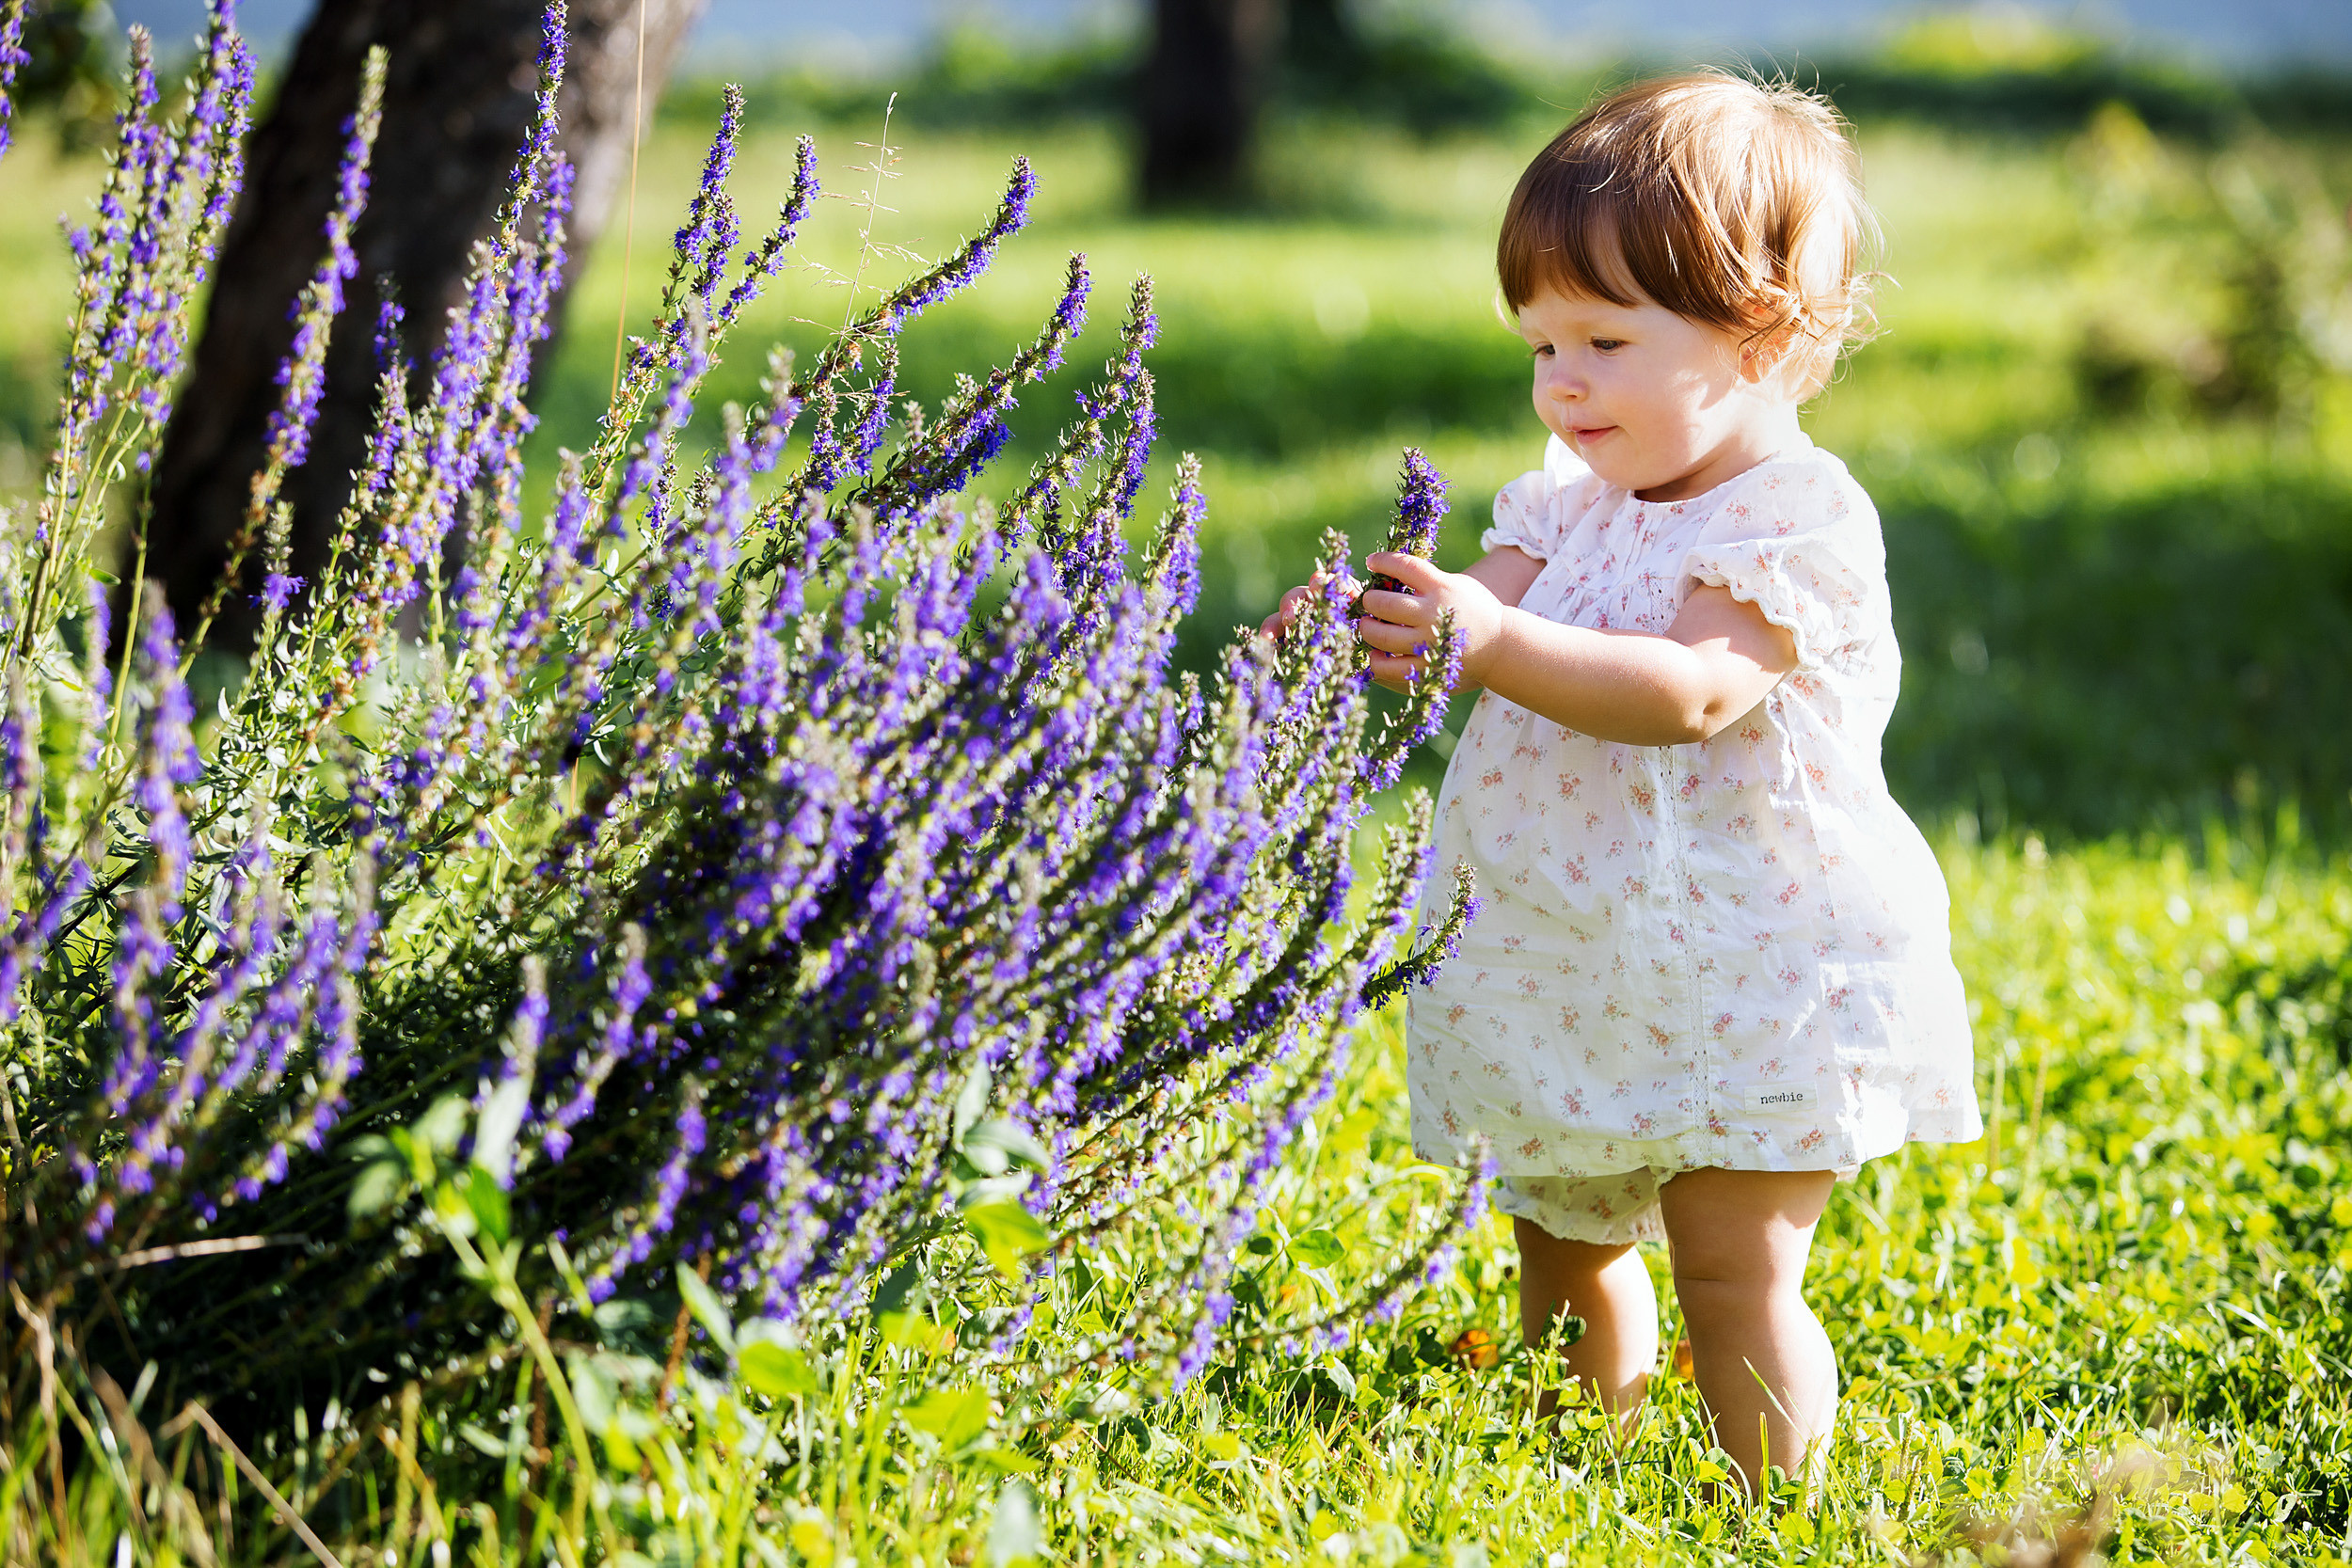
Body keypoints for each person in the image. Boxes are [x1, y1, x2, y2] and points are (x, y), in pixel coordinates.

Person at [1262, 71, 1979, 1495]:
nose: (1562, 382)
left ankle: (1770, 1512)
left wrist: (1491, 640)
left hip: (1754, 967)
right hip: (1572, 961)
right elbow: (1478, 609)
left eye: (1604, 339)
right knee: (1563, 1252)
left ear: (1760, 334)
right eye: (1541, 344)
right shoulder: (1564, 507)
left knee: (1732, 1272)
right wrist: (1378, 625)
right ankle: (1575, 1483)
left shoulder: (1794, 520)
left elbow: (1691, 693)